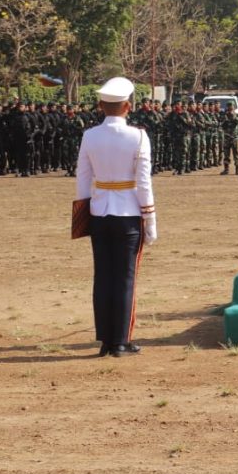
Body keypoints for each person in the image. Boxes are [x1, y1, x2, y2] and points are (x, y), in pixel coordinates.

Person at [75, 77, 157, 358]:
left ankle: (106, 341)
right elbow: (144, 183)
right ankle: (121, 340)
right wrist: (151, 219)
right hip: (128, 214)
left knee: (103, 277)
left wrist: (82, 217)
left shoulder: (89, 136)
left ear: (100, 106)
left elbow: (82, 180)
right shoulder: (139, 136)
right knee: (125, 279)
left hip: (99, 212)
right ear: (128, 106)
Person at [220, 100, 238, 175]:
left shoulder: (237, 114)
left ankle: (237, 170)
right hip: (227, 137)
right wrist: (225, 119)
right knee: (226, 154)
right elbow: (221, 124)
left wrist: (233, 116)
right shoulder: (224, 115)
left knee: (236, 154)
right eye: (229, 106)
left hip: (234, 138)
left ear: (234, 107)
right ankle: (226, 169)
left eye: (231, 106)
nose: (230, 108)